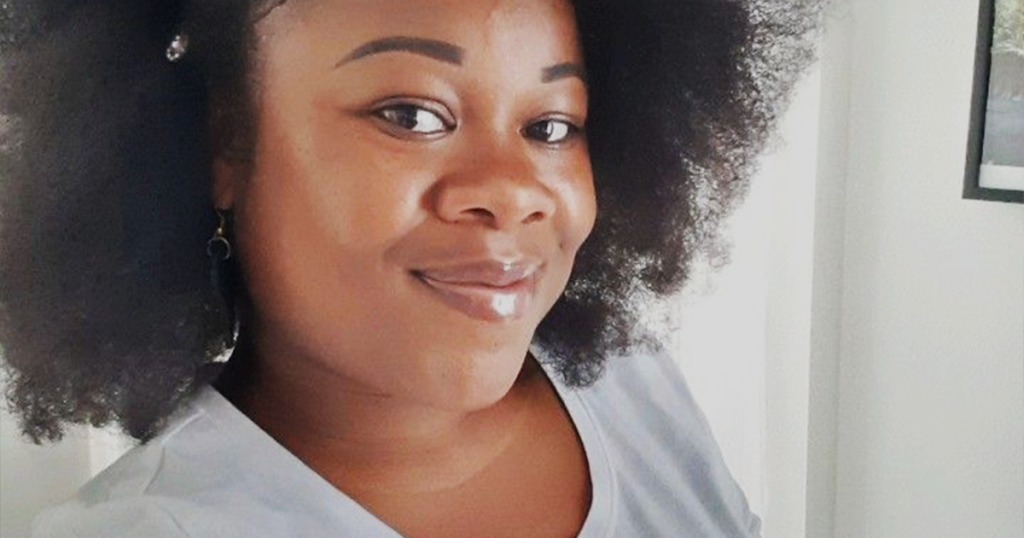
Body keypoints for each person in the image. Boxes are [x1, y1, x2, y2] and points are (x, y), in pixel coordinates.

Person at [0, 0, 823, 536]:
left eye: (550, 127)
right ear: (224, 141)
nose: (513, 192)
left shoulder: (629, 387)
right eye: (411, 114)